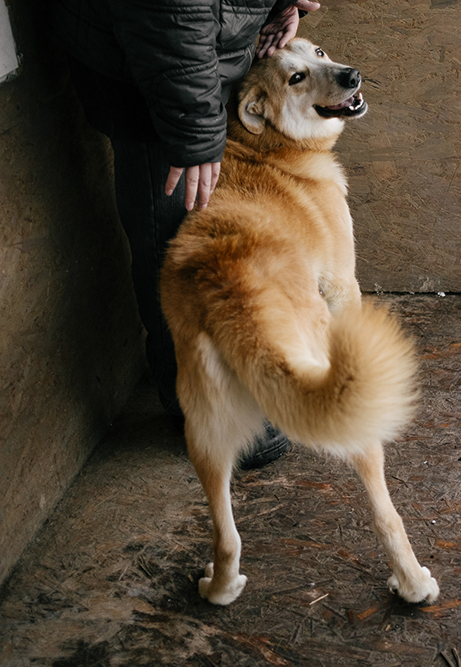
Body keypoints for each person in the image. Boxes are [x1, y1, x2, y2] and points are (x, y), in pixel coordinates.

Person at [49, 0, 321, 467]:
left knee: (216, 246)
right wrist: (192, 131)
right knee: (175, 244)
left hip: (203, 54)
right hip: (156, 71)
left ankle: (241, 380)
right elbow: (166, 12)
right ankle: (204, 410)